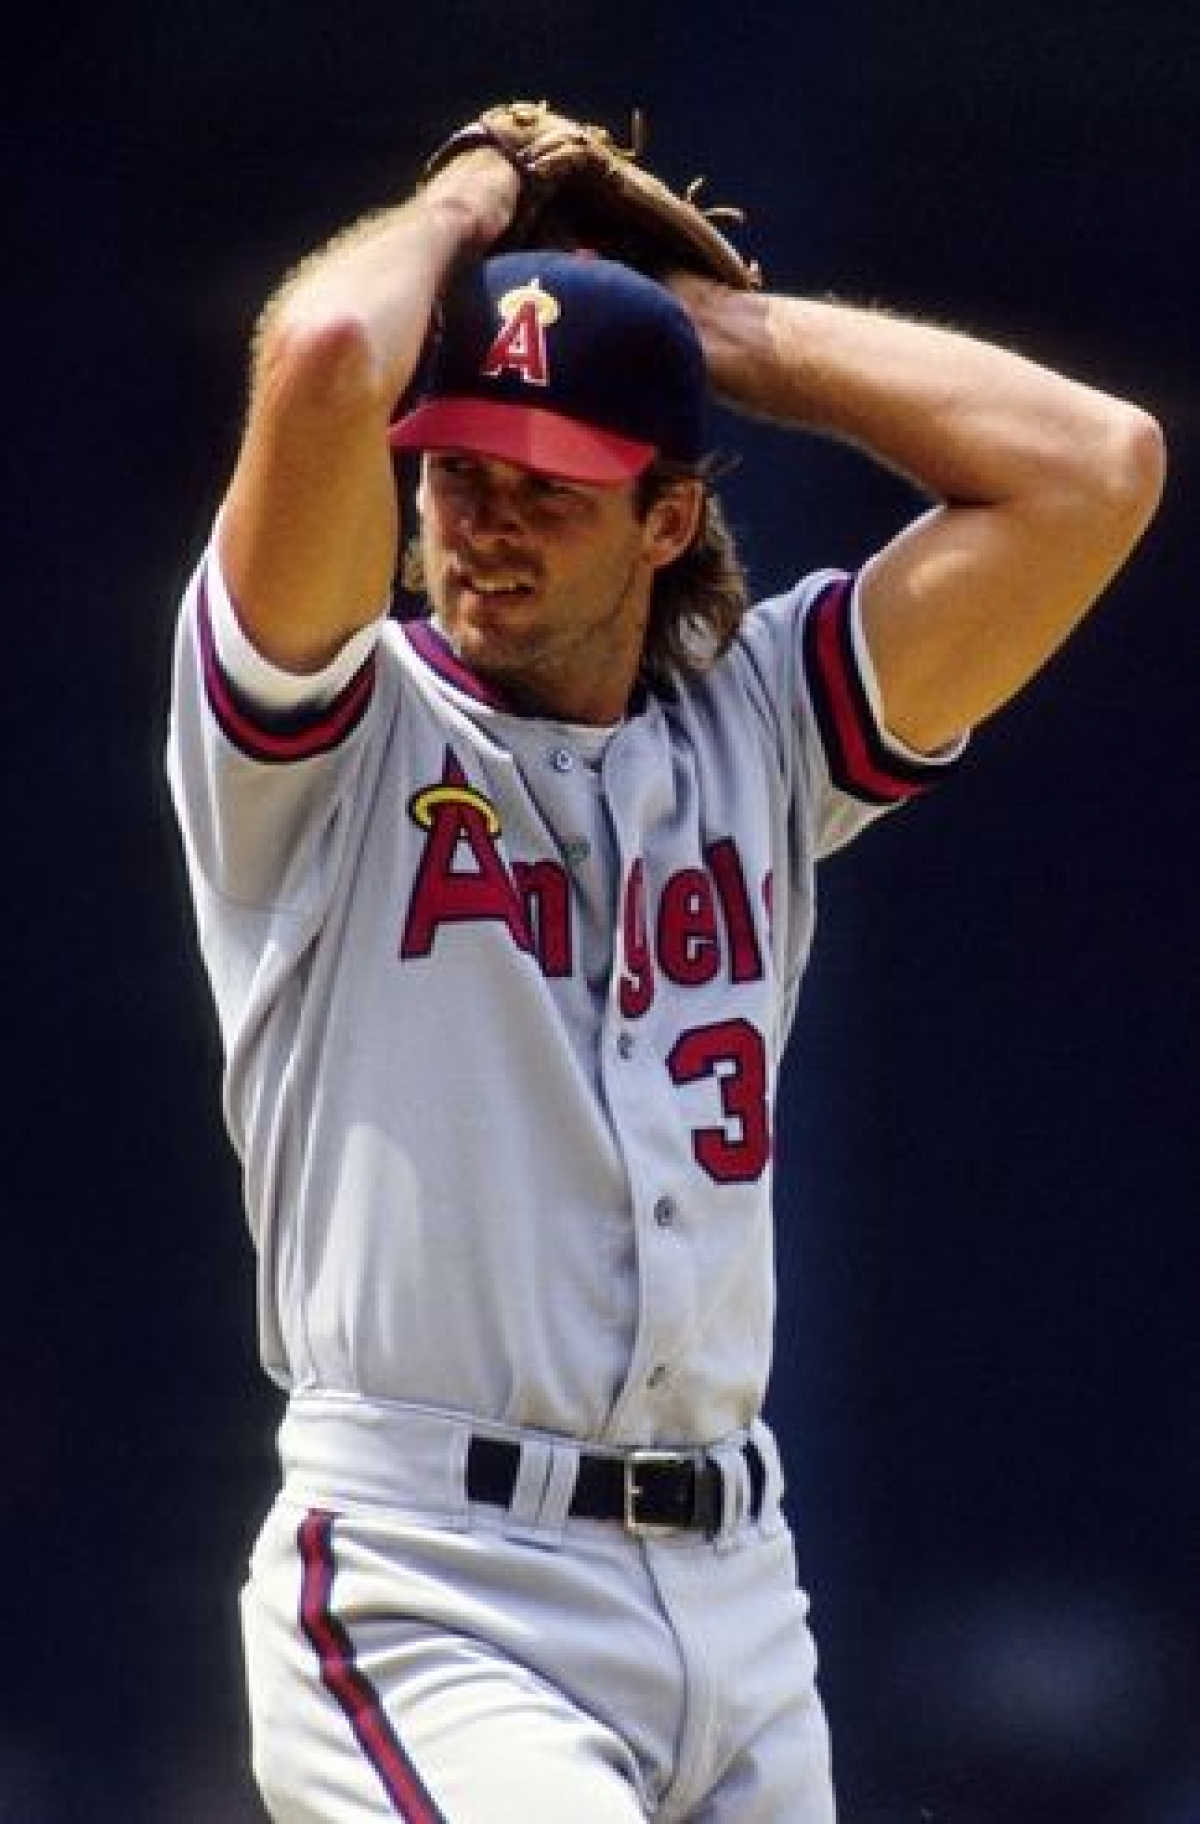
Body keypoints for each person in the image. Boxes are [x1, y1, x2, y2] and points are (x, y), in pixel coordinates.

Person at [166, 120, 1163, 1824]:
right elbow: (332, 353)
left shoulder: (757, 735)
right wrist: (479, 192)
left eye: (548, 490)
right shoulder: (323, 744)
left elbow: (1096, 466)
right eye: (459, 473)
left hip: (737, 1592)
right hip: (435, 1582)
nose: (483, 526)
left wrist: (707, 329)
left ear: (668, 515)